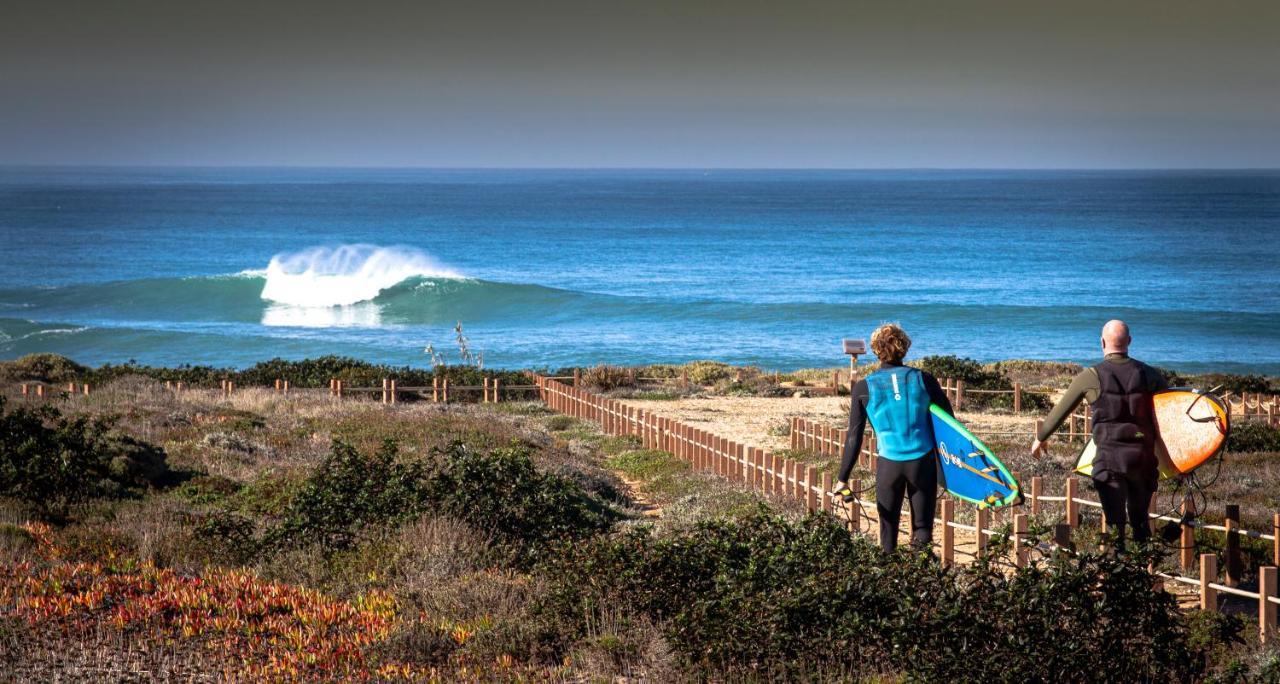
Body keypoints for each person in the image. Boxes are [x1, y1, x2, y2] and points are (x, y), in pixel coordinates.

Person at [1031, 320, 1168, 551]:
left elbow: (1060, 412)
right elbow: (1171, 413)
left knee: (1116, 527)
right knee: (1141, 522)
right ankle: (1145, 577)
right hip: (1142, 462)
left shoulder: (1091, 376)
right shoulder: (1149, 374)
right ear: (1130, 342)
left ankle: (1119, 578)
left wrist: (1040, 437)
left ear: (1102, 342)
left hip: (1110, 461)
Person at [834, 324, 953, 552]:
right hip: (923, 462)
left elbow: (854, 437)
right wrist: (952, 467)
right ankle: (923, 581)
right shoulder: (924, 379)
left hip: (889, 464)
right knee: (922, 528)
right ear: (904, 347)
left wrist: (843, 479)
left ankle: (891, 581)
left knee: (888, 532)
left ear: (876, 350)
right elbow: (949, 422)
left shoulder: (863, 387)